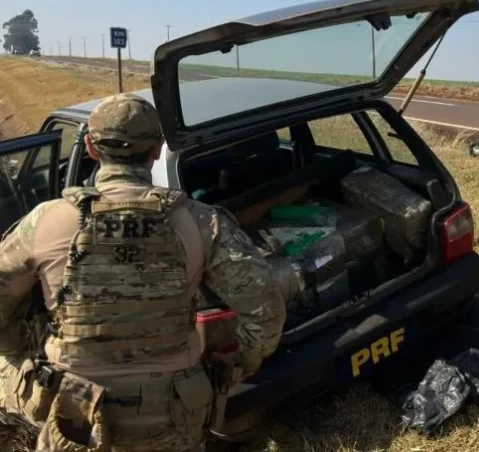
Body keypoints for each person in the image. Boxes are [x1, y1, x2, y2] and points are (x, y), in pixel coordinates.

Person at [0, 93, 286, 450]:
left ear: (90, 147)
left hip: (74, 417)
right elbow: (266, 311)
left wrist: (24, 353)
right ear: (156, 149)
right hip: (175, 415)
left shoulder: (44, 222)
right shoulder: (200, 223)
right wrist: (239, 362)